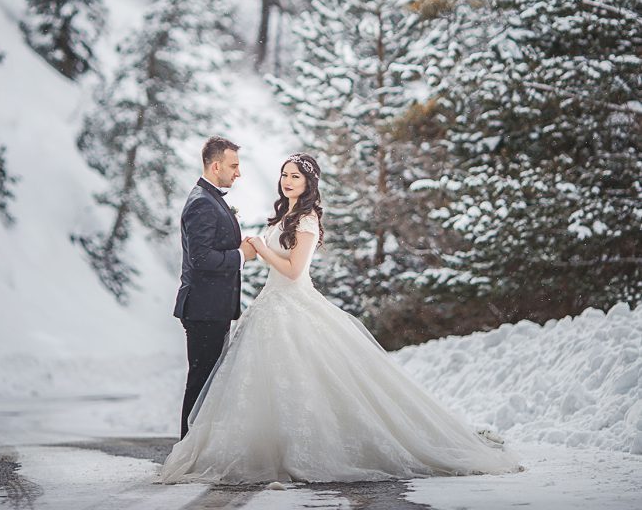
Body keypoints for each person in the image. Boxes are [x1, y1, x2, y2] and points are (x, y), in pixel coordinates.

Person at [160, 153, 524, 484]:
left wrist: (260, 249)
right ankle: (272, 444)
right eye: (285, 175)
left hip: (292, 303)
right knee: (269, 384)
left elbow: (292, 270)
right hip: (268, 306)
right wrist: (254, 250)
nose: (288, 181)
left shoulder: (306, 218)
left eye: (296, 177)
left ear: (308, 184)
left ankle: (320, 447)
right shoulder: (285, 214)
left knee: (311, 379)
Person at [172, 135, 256, 440]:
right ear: (216, 165)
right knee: (201, 383)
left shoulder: (211, 199)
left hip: (212, 307)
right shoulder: (202, 204)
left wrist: (238, 248)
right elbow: (201, 258)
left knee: (208, 383)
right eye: (234, 166)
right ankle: (187, 449)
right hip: (203, 308)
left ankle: (196, 448)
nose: (238, 172)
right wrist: (240, 256)